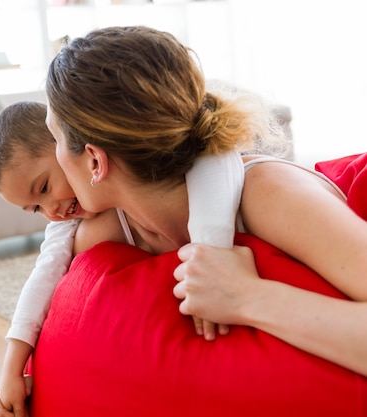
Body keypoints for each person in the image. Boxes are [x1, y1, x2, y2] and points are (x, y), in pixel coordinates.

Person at [44, 25, 367, 376]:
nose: (53, 155)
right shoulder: (103, 234)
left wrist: (247, 297)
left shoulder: (267, 193)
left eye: (54, 137)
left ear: (95, 161)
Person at [0, 100, 245, 416]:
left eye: (45, 187)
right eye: (36, 208)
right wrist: (12, 367)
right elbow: (43, 276)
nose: (51, 210)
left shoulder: (143, 167)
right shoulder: (73, 226)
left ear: (70, 147)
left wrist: (210, 250)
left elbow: (214, 155)